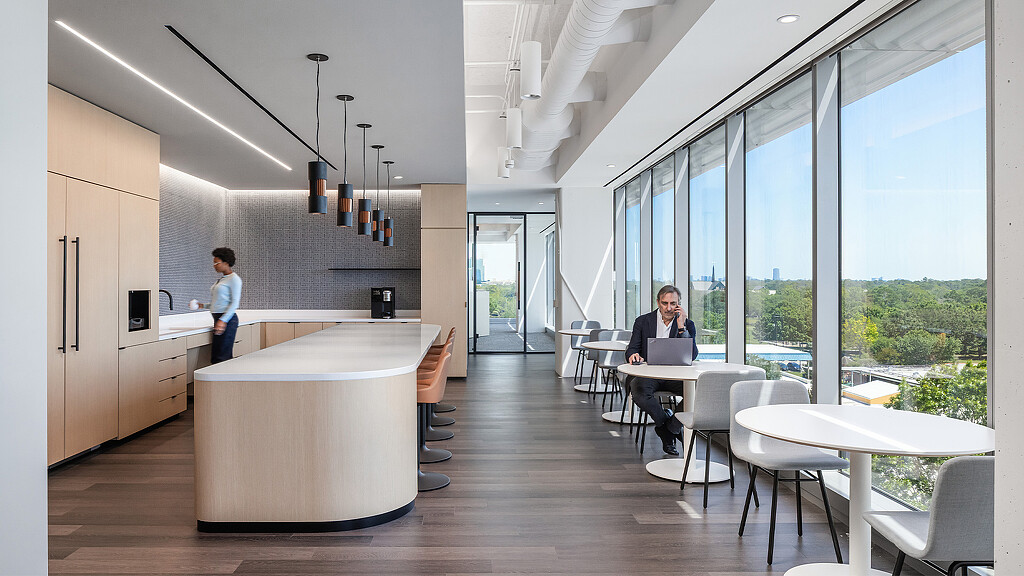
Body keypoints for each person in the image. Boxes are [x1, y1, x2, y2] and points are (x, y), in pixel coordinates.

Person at [625, 284, 699, 455]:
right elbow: (632, 349)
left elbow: (692, 355)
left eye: (673, 304)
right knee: (639, 392)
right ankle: (665, 423)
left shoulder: (688, 324)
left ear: (678, 304)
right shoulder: (643, 321)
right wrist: (633, 355)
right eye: (665, 303)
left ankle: (670, 428)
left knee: (698, 392)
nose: (669, 308)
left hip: (676, 376)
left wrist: (682, 327)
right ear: (658, 302)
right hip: (649, 374)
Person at [192, 247, 242, 364]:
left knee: (221, 358)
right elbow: (218, 303)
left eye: (217, 263)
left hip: (228, 320)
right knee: (217, 356)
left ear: (226, 262)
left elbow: (234, 303)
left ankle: (225, 382)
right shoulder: (221, 280)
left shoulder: (234, 279)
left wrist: (223, 320)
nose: (214, 265)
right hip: (219, 319)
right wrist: (202, 306)